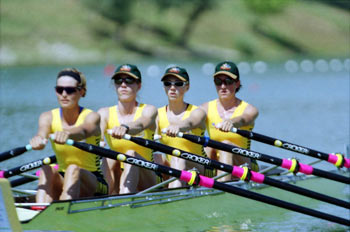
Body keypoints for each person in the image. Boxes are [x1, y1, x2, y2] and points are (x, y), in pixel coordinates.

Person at [29, 68, 108, 203]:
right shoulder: (47, 117)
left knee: (73, 168)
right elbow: (42, 134)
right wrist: (38, 141)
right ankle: (40, 209)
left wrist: (68, 133)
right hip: (64, 177)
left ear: (81, 92)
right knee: (46, 168)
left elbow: (84, 130)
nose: (64, 94)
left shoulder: (92, 116)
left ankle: (62, 213)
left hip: (95, 183)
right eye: (59, 90)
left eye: (70, 90)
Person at [98, 64, 157, 194]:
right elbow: (98, 132)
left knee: (131, 154)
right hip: (118, 173)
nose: (123, 85)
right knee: (106, 157)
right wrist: (99, 140)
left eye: (129, 81)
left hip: (148, 177)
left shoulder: (148, 110)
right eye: (119, 81)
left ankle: (124, 197)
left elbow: (141, 124)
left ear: (139, 85)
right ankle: (105, 196)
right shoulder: (104, 113)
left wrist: (126, 128)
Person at [201, 61, 259, 181]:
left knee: (226, 145)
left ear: (237, 84)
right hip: (216, 161)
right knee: (205, 148)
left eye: (228, 82)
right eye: (218, 82)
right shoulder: (205, 108)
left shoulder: (249, 109)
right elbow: (191, 119)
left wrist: (232, 122)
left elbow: (244, 119)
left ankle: (223, 190)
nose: (223, 86)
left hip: (244, 164)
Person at [155, 66, 208, 188]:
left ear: (187, 87)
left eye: (178, 84)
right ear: (164, 87)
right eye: (168, 83)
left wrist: (178, 126)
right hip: (172, 165)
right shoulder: (157, 115)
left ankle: (175, 196)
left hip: (199, 166)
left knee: (177, 158)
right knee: (153, 157)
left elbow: (190, 122)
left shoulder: (198, 112)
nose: (172, 88)